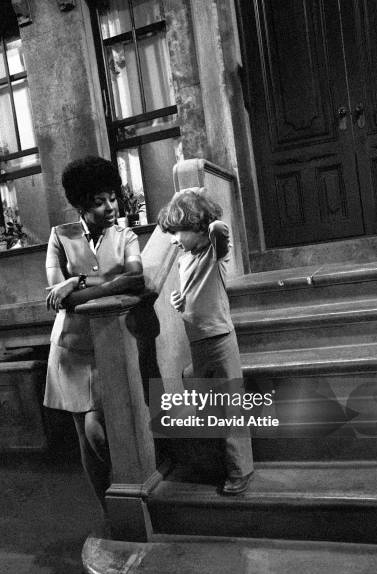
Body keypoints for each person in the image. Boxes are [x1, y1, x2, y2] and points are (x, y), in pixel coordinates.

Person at [44, 156, 145, 514]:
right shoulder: (60, 237)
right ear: (82, 205)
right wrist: (88, 286)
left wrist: (79, 281)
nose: (111, 207)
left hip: (110, 344)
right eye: (99, 202)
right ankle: (109, 511)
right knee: (86, 443)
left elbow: (135, 279)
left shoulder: (126, 236)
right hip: (70, 351)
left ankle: (127, 490)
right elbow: (59, 298)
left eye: (113, 198)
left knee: (97, 431)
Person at [158, 188, 254, 495]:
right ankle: (220, 463)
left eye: (178, 232)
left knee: (230, 408)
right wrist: (179, 300)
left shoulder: (215, 253)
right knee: (210, 408)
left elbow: (219, 229)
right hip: (197, 341)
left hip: (220, 339)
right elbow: (194, 295)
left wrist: (193, 203)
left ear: (198, 228)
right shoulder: (186, 259)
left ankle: (240, 470)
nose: (174, 240)